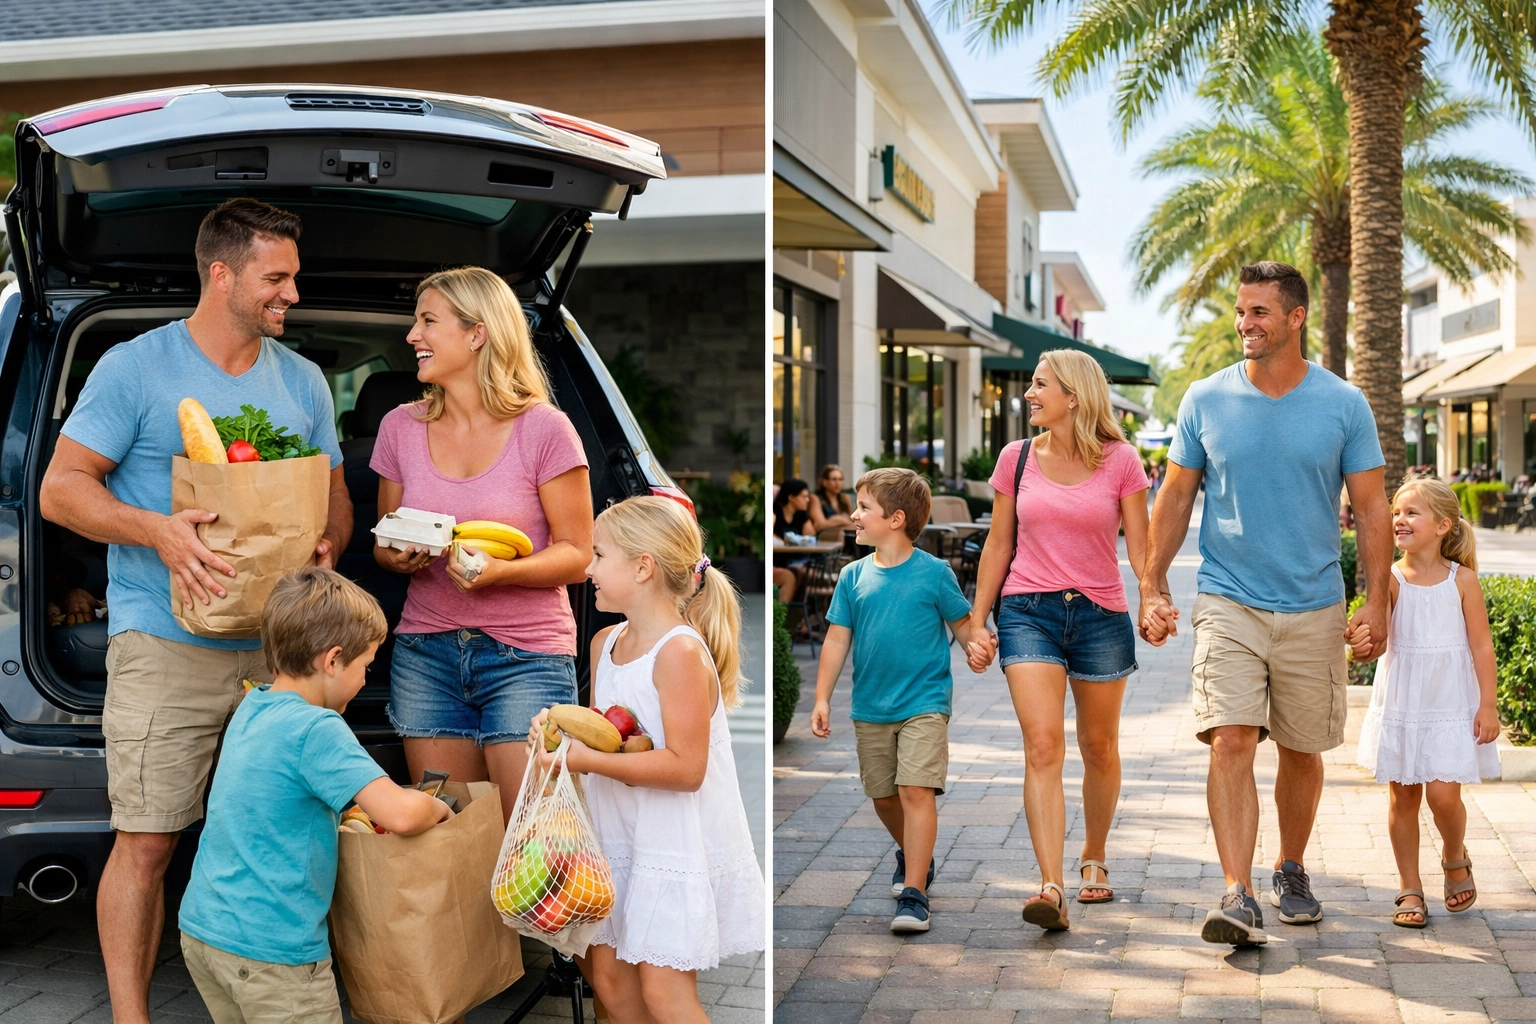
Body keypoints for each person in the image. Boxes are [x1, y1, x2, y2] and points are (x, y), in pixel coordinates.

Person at [38, 198, 351, 1023]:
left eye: (293, 275)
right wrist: (159, 534)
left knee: (281, 836)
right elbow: (60, 490)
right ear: (222, 274)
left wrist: (324, 545)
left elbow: (334, 498)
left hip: (278, 657)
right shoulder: (137, 368)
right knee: (146, 841)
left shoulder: (303, 381)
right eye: (275, 277)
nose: (292, 291)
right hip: (166, 641)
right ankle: (131, 1017)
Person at [1139, 261, 1391, 947]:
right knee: (1231, 737)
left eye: (1258, 312)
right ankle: (1236, 890)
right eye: (1241, 312)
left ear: (1296, 317)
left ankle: (1290, 868)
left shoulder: (1343, 404)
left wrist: (1377, 600)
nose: (1245, 324)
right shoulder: (1205, 399)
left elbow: (1371, 509)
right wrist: (1153, 583)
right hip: (1229, 597)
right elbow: (1176, 497)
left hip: (1313, 601)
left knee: (1304, 751)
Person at [179, 568, 451, 1024]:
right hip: (274, 954)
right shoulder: (318, 728)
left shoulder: (254, 704)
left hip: (206, 932)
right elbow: (401, 815)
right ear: (332, 660)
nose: (366, 680)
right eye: (365, 666)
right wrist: (437, 805)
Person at [531, 496, 764, 1024]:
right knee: (612, 988)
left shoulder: (678, 652)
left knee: (666, 998)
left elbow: (685, 769)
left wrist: (582, 761)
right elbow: (603, 736)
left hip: (666, 844)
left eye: (598, 555)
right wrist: (553, 736)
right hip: (614, 839)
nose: (586, 568)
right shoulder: (604, 642)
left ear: (642, 567)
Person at [372, 266, 592, 823]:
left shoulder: (544, 429)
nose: (412, 336)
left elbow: (577, 553)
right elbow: (383, 540)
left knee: (528, 841)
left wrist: (502, 573)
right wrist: (398, 557)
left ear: (477, 333)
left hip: (527, 658)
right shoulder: (400, 427)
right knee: (449, 837)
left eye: (427, 321)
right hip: (427, 657)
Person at [964, 349, 1151, 931]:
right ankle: (1051, 885)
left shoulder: (1122, 461)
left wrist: (1156, 600)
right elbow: (998, 545)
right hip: (1028, 610)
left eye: (1041, 385)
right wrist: (976, 621)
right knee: (1043, 745)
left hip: (1100, 613)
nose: (1029, 394)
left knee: (1099, 747)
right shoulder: (1015, 458)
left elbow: (1140, 550)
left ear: (1074, 395)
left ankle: (1094, 855)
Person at [809, 468, 984, 934]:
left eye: (864, 507)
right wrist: (821, 697)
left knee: (915, 791)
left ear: (896, 519)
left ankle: (914, 895)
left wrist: (977, 647)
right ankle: (915, 854)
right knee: (883, 797)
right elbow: (835, 641)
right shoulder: (853, 577)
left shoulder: (934, 573)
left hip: (925, 701)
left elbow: (964, 626)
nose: (854, 515)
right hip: (871, 706)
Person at [1353, 477, 1499, 928]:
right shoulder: (1391, 579)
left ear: (1443, 525)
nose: (1399, 519)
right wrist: (1359, 640)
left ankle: (1455, 857)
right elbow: (1374, 632)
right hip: (1404, 703)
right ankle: (1409, 887)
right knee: (1404, 796)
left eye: (1411, 512)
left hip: (1451, 704)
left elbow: (1481, 646)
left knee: (1443, 795)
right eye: (1396, 511)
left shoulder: (1463, 581)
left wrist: (1488, 705)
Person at [772, 479, 814, 606]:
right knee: (789, 577)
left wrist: (793, 540)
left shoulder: (801, 515)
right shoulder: (775, 513)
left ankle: (798, 618)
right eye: (804, 496)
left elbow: (811, 539)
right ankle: (779, 619)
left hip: (794, 562)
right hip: (775, 563)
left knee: (807, 575)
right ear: (791, 497)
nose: (808, 500)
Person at [814, 464, 856, 530]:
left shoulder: (845, 498)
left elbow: (853, 521)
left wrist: (833, 521)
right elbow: (819, 525)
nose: (838, 483)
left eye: (840, 479)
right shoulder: (816, 499)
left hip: (843, 534)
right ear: (825, 482)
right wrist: (841, 520)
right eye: (834, 479)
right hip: (824, 536)